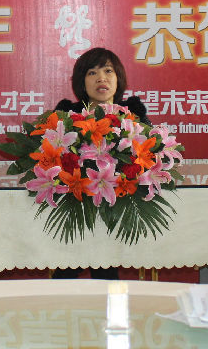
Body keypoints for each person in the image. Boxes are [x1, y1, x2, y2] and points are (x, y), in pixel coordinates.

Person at [50, 47, 149, 280]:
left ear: (118, 78)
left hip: (118, 206)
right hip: (76, 206)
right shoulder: (67, 115)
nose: (101, 78)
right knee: (68, 268)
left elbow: (150, 154)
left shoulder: (133, 114)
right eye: (92, 73)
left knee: (106, 269)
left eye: (108, 71)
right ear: (82, 82)